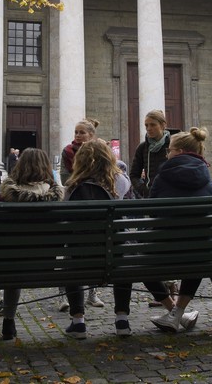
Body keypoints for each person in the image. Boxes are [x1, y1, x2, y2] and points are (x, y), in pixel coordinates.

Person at [149, 127, 212, 332]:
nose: (167, 154)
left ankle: (173, 311)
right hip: (199, 252)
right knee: (201, 248)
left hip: (162, 253)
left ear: (178, 152)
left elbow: (151, 213)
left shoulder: (162, 177)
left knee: (136, 255)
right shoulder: (208, 179)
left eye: (169, 150)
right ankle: (178, 313)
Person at [62, 139, 134, 339]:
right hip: (115, 257)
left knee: (71, 260)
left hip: (81, 260)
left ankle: (78, 322)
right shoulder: (120, 182)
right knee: (122, 254)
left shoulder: (71, 186)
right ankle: (122, 320)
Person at [0, 148, 65, 340]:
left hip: (11, 265)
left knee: (13, 264)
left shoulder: (4, 197)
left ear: (19, 166)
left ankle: (8, 320)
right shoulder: (56, 197)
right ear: (47, 168)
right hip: (46, 264)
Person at [58, 118, 104, 308]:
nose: (77, 135)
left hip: (93, 204)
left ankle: (92, 294)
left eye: (81, 132)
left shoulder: (99, 151)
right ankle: (63, 296)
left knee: (93, 251)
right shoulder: (68, 151)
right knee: (69, 251)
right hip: (76, 199)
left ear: (91, 135)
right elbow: (64, 177)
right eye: (76, 132)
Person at [129, 109, 170, 199]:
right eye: (146, 125)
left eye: (153, 125)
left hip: (170, 196)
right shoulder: (142, 147)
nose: (148, 128)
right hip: (151, 197)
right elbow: (134, 175)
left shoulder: (173, 145)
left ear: (163, 125)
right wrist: (144, 190)